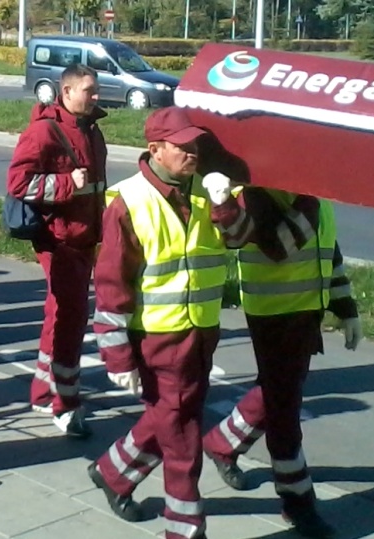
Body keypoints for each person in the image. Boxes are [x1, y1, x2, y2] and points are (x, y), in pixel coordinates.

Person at [88, 107, 250, 539]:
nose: (193, 152)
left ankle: (113, 472)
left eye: (196, 143)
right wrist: (116, 354)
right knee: (182, 437)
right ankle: (185, 528)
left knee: (173, 415)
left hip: (202, 330)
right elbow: (111, 284)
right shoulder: (129, 202)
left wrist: (224, 206)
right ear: (155, 148)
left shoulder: (208, 190)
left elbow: (238, 240)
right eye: (182, 145)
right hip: (157, 337)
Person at [201, 187, 362, 538]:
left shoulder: (313, 193)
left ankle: (221, 444)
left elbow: (327, 249)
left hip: (305, 308)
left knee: (279, 390)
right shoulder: (260, 193)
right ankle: (297, 501)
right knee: (284, 409)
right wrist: (310, 199)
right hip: (274, 312)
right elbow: (277, 246)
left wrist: (345, 306)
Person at [5, 63, 106, 437]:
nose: (95, 97)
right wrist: (66, 184)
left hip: (85, 239)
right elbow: (18, 183)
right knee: (70, 320)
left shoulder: (91, 129)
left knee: (58, 315)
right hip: (59, 241)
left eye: (96, 90)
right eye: (89, 91)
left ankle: (43, 391)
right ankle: (65, 404)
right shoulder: (43, 132)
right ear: (66, 92)